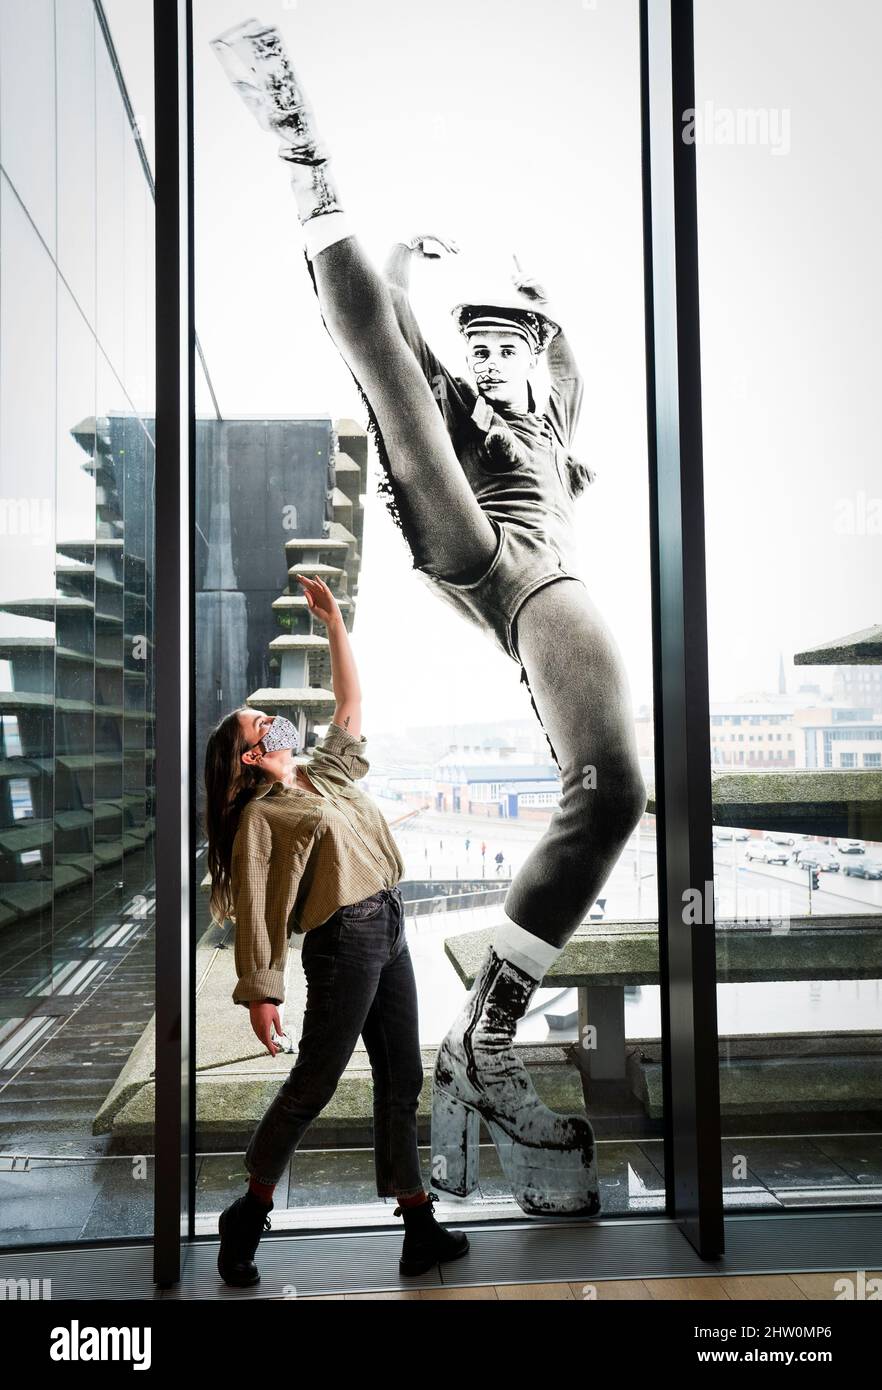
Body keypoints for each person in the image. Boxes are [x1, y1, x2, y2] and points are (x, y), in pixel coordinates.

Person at [210, 17, 646, 1217]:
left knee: (607, 785)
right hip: (488, 550)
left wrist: (540, 314)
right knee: (612, 782)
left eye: (512, 353)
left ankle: (470, 1065)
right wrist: (392, 261)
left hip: (549, 573)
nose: (498, 368)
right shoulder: (461, 405)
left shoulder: (546, 416)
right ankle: (304, 155)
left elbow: (561, 374)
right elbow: (389, 347)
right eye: (483, 350)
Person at [203, 574, 468, 1286]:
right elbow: (258, 909)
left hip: (389, 920)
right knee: (314, 1082)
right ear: (248, 758)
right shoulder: (260, 818)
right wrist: (262, 994)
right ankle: (247, 1215)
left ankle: (417, 1224)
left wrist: (333, 625)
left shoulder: (324, 774)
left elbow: (350, 706)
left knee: (401, 1076)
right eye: (257, 726)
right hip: (344, 940)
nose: (269, 721)